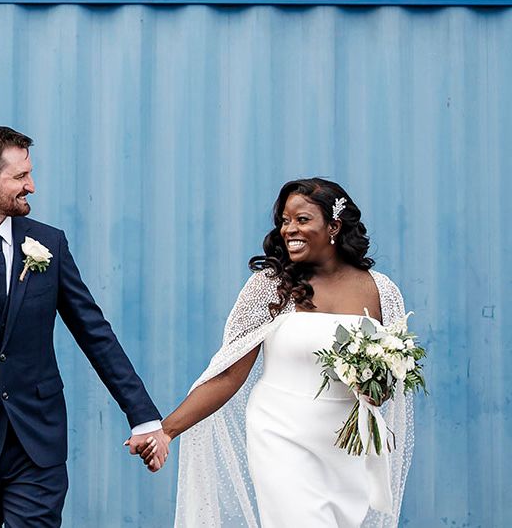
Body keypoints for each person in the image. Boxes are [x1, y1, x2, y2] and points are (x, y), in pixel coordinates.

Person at [0, 126, 168, 527]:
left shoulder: (49, 244)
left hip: (37, 442)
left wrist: (142, 416)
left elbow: (94, 332)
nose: (32, 186)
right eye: (20, 176)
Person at [138, 178, 413, 527]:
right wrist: (167, 430)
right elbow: (227, 373)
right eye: (284, 220)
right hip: (280, 434)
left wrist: (374, 382)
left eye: (302, 220)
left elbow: (389, 380)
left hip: (345, 445)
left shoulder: (381, 290)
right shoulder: (272, 285)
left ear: (334, 225)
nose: (289, 230)